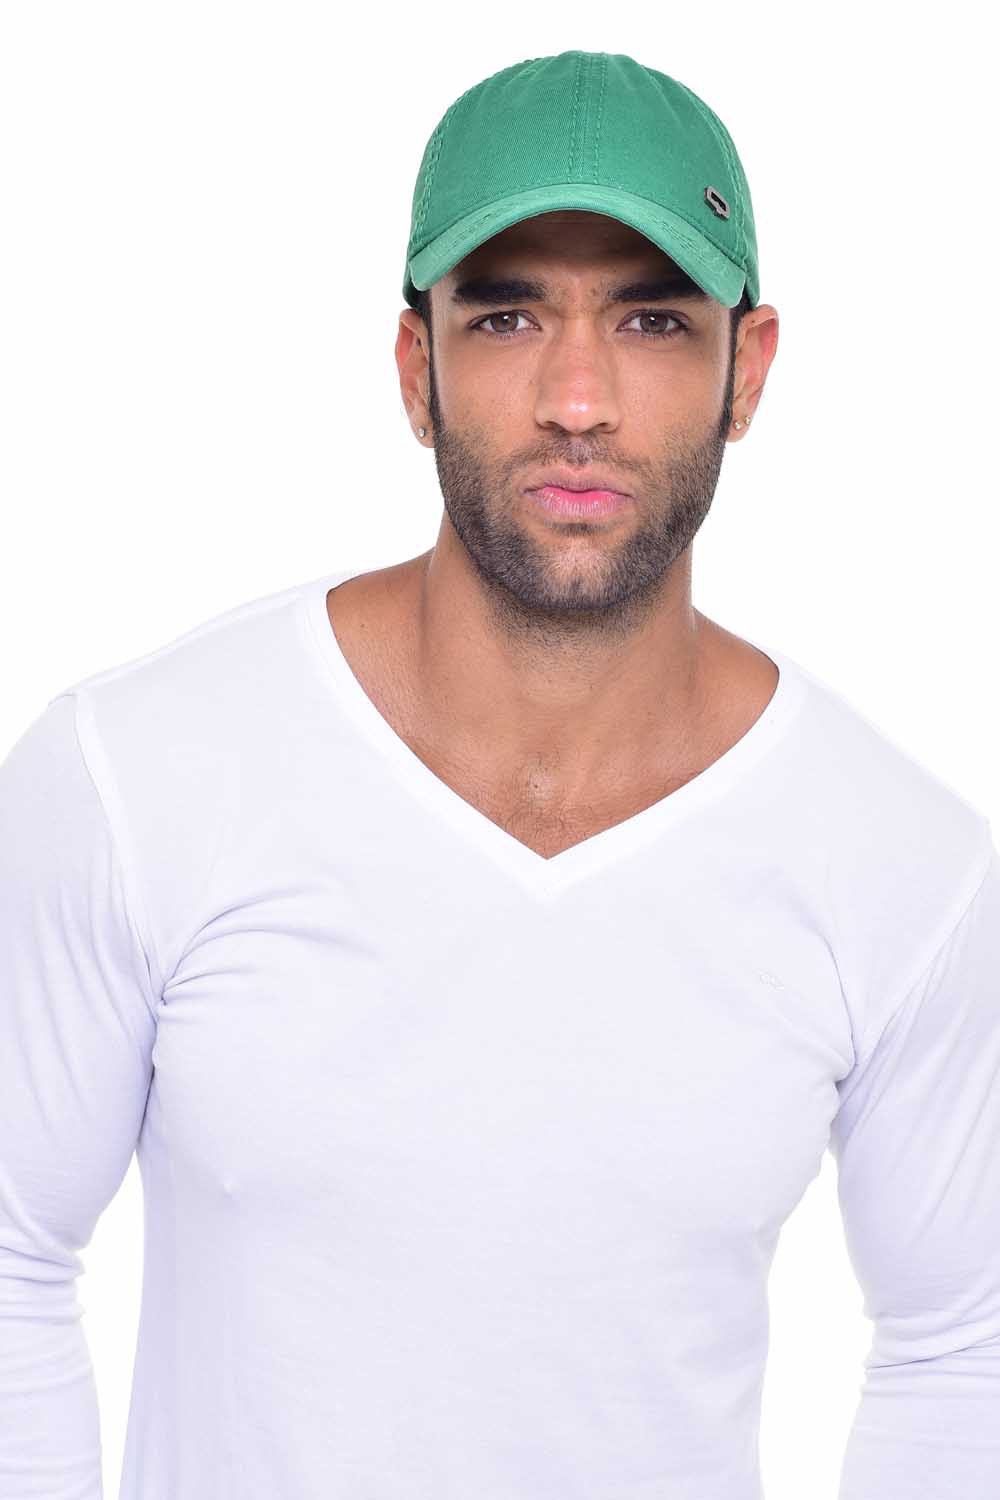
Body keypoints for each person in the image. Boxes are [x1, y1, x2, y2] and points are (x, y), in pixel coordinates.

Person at [1, 48, 997, 1500]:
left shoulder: (905, 866)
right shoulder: (135, 776)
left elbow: (961, 1346)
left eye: (653, 319)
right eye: (508, 314)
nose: (577, 400)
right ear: (418, 369)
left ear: (750, 369)